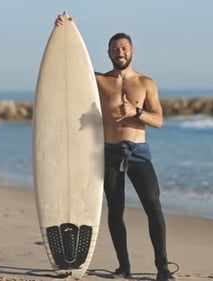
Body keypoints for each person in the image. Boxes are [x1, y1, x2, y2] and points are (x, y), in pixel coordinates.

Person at [55, 15, 176, 281]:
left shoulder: (146, 83)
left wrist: (137, 111)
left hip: (138, 153)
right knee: (115, 211)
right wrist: (63, 31)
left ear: (132, 51)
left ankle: (163, 268)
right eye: (115, 48)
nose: (119, 52)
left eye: (124, 48)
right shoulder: (98, 80)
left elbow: (158, 121)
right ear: (108, 53)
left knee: (153, 207)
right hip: (109, 153)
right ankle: (124, 267)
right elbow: (70, 66)